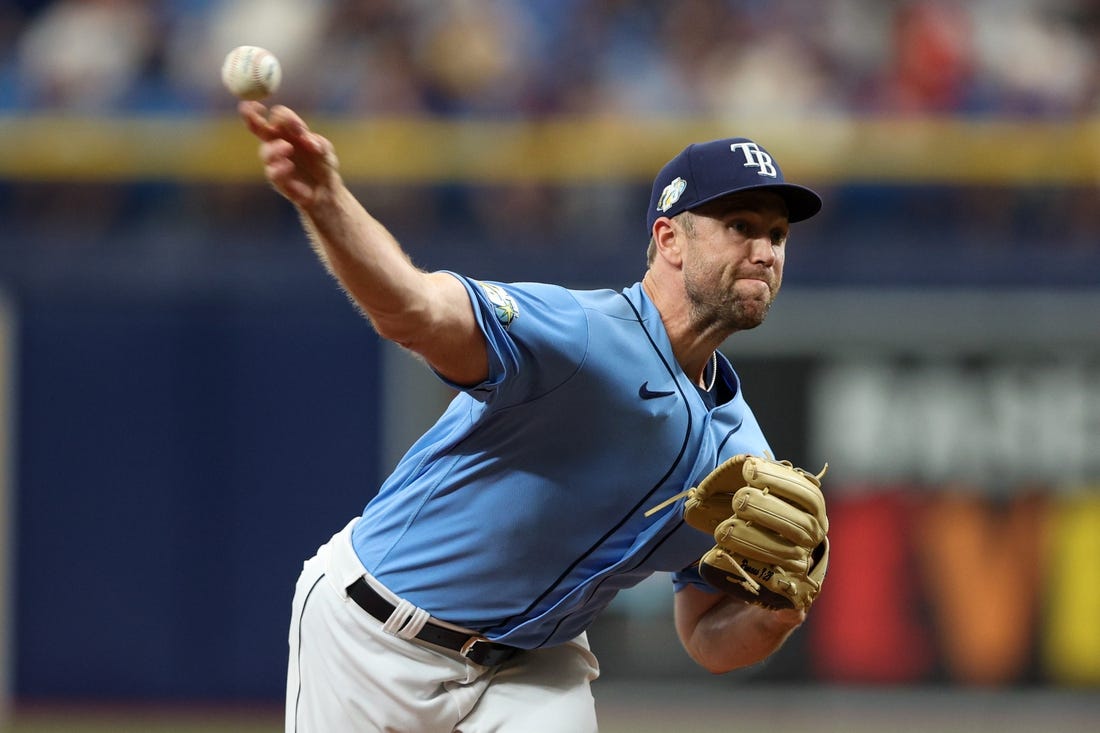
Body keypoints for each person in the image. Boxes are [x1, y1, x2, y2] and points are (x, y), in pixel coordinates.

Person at [238, 101, 825, 733]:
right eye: (741, 225)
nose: (766, 251)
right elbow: (414, 310)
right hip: (372, 636)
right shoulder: (580, 335)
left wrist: (776, 614)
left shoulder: (742, 452)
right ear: (669, 239)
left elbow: (706, 639)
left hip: (533, 671)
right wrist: (326, 201)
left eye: (778, 235)